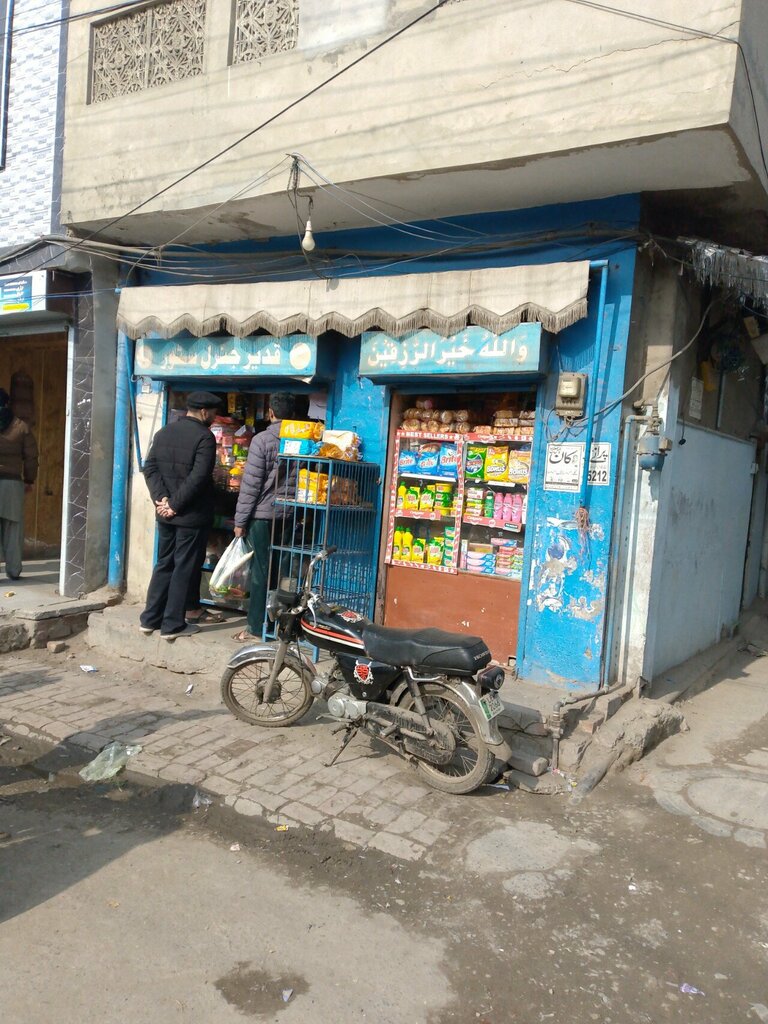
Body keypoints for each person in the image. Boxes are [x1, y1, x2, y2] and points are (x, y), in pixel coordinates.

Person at [140, 391, 221, 640]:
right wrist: (174, 504)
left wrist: (161, 499)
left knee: (164, 563)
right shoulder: (205, 438)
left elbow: (150, 467)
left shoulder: (163, 432)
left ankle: (150, 619)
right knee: (183, 567)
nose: (215, 418)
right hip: (190, 515)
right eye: (214, 414)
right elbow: (198, 478)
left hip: (166, 514)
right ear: (205, 412)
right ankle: (173, 624)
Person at [232, 392, 295, 642]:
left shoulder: (262, 440)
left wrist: (240, 521)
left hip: (263, 516)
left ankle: (256, 627)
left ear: (271, 412)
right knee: (281, 572)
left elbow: (251, 485)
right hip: (289, 514)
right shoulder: (302, 441)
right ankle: (278, 624)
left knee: (261, 572)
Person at [0, 388, 38, 580]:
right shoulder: (21, 426)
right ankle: (13, 570)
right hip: (12, 484)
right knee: (13, 530)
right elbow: (31, 456)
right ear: (8, 404)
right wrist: (30, 480)